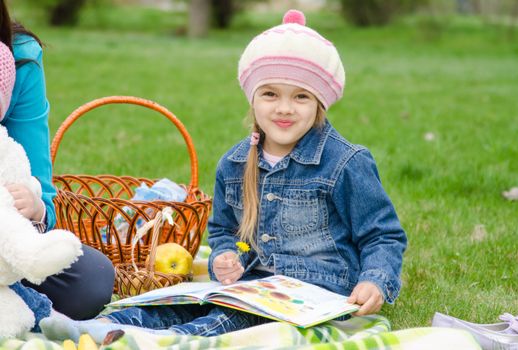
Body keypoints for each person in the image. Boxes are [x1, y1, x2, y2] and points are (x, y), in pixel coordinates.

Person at [39, 9, 407, 342]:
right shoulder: (235, 164)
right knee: (183, 304)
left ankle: (166, 342)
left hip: (316, 294)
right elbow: (223, 231)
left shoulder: (345, 163)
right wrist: (224, 258)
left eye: (301, 97)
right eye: (270, 94)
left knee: (231, 321)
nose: (283, 108)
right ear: (252, 97)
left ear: (319, 102)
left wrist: (375, 279)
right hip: (252, 285)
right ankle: (99, 329)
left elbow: (382, 234)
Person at [0, 0, 115, 323]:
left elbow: (40, 190)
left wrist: (34, 209)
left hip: (5, 236)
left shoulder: (17, 57)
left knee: (90, 280)